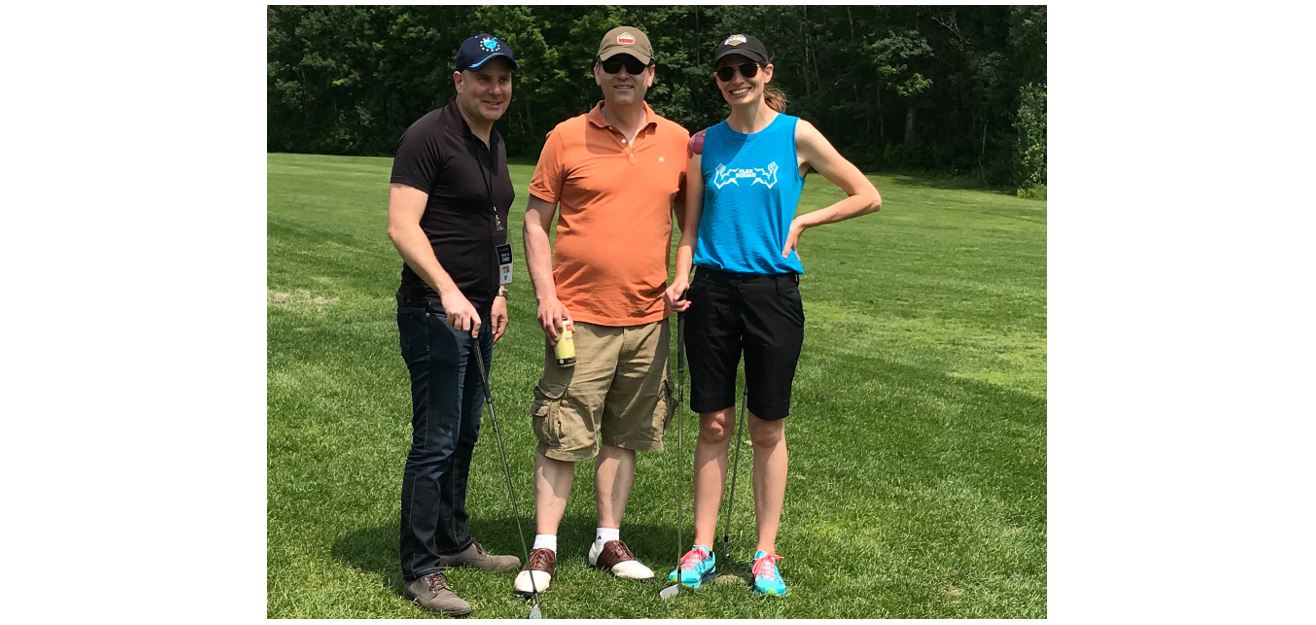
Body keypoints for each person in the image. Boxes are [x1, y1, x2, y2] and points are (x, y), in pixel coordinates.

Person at [663, 33, 882, 597]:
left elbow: (866, 193)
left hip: (773, 292)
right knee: (713, 422)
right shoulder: (701, 144)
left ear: (765, 72)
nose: (735, 79)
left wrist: (806, 221)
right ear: (718, 80)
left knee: (767, 425)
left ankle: (764, 552)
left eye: (745, 69)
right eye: (725, 71)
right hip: (711, 291)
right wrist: (681, 272)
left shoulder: (796, 134)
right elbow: (688, 228)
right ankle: (702, 546)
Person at [513, 26, 690, 595]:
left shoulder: (679, 142)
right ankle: (544, 548)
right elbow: (535, 222)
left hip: (646, 320)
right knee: (563, 430)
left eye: (633, 66)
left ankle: (607, 539)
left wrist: (682, 277)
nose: (623, 74)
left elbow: (691, 226)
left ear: (650, 74)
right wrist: (546, 295)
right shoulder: (565, 137)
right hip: (577, 316)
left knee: (623, 435)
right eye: (612, 64)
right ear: (596, 72)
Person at [386, 33, 524, 616]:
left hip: (476, 310)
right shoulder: (428, 136)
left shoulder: (490, 140)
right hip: (433, 312)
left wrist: (498, 293)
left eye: (503, 78)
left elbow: (493, 226)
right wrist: (448, 291)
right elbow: (402, 225)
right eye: (483, 77)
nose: (495, 89)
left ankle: (453, 538)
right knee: (436, 441)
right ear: (459, 80)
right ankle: (420, 568)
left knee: (465, 432)